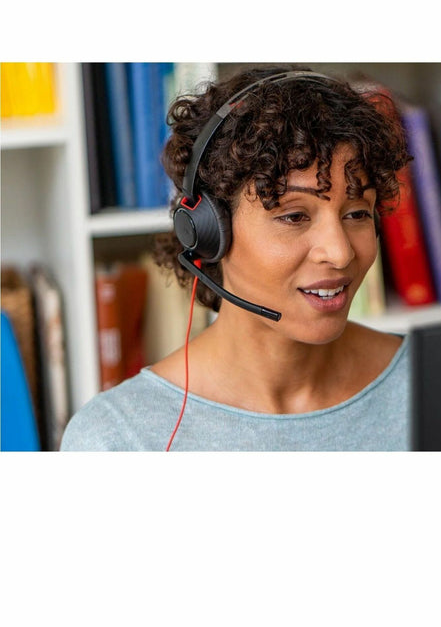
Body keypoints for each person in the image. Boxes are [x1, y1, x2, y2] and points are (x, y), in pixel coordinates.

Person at [61, 64, 413, 451]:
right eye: (294, 216)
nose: (341, 252)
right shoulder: (116, 439)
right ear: (209, 231)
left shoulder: (434, 381)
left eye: (357, 214)